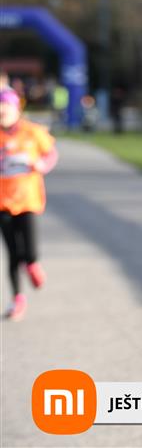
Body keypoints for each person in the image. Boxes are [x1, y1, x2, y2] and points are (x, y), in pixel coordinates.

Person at [0, 88, 59, 321]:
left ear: (16, 109)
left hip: (28, 200)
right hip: (3, 203)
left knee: (30, 252)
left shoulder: (32, 132)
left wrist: (42, 165)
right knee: (13, 253)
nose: (2, 111)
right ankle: (17, 300)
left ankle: (32, 264)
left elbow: (50, 154)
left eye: (5, 107)